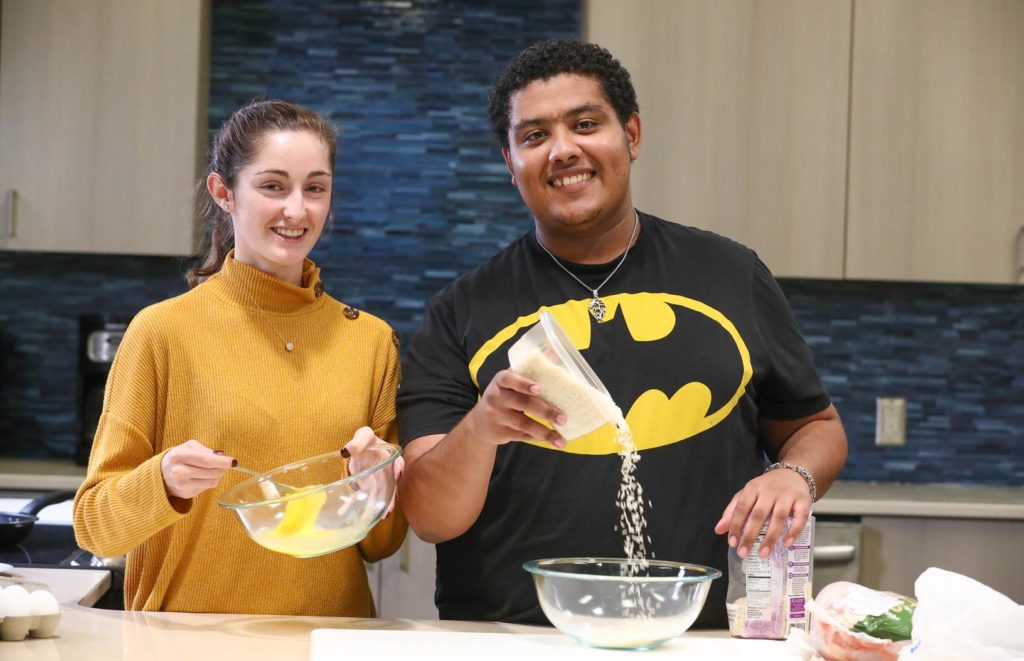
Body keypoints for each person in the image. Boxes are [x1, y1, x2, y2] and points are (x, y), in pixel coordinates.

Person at [395, 38, 847, 627]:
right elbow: (429, 518)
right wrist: (482, 428)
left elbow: (816, 426)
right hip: (515, 635)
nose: (562, 150)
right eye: (533, 136)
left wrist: (796, 474)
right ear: (510, 162)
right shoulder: (461, 310)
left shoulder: (731, 274)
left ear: (631, 134)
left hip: (699, 635)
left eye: (585, 124)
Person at [73, 99, 406, 616]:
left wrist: (376, 483)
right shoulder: (161, 332)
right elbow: (95, 527)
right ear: (223, 193)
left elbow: (380, 545)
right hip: (186, 645)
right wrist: (162, 481)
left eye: (314, 188)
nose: (297, 210)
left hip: (331, 640)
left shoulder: (371, 341)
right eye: (273, 186)